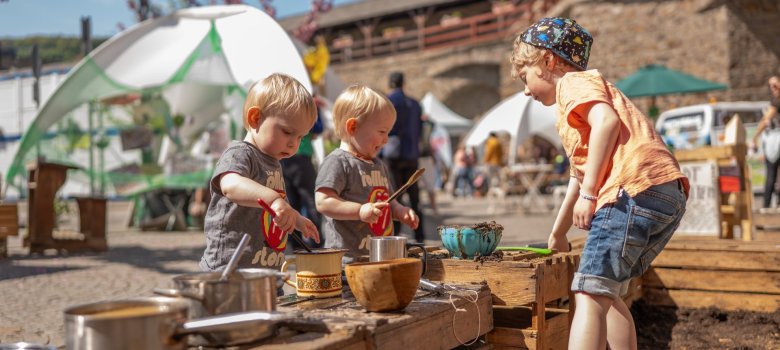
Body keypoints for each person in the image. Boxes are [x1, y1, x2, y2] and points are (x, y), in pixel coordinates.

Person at [510, 17, 689, 350]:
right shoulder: (577, 105)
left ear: (549, 61)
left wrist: (592, 194)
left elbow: (606, 122)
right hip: (664, 191)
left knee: (588, 293)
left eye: (525, 76)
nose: (525, 90)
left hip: (632, 190)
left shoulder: (573, 84)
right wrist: (559, 231)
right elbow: (578, 178)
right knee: (606, 290)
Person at [199, 73, 320, 276]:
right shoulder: (240, 153)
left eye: (300, 137)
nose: (293, 143)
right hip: (230, 269)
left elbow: (280, 204)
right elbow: (230, 185)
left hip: (266, 269)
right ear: (255, 118)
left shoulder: (274, 163)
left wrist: (295, 218)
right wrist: (273, 200)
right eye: (287, 132)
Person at [315, 85, 419, 264]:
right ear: (353, 126)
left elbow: (388, 200)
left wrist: (399, 211)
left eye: (388, 132)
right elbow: (323, 202)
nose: (386, 140)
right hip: (349, 262)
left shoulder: (379, 165)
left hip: (380, 257)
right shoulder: (338, 162)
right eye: (381, 132)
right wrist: (359, 210)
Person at [384, 71, 426, 243]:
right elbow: (421, 130)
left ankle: (396, 236)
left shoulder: (390, 101)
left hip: (394, 152)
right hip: (412, 153)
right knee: (415, 198)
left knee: (395, 197)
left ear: (390, 83)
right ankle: (419, 236)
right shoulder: (415, 104)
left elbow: (387, 127)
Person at [281, 95, 325, 247]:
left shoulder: (287, 104)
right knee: (308, 199)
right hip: (301, 158)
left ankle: (297, 243)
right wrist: (315, 109)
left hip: (285, 159)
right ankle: (314, 240)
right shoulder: (305, 107)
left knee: (293, 200)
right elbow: (319, 128)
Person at [751, 75, 780, 208]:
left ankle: (766, 209)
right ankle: (767, 209)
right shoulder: (775, 100)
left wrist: (755, 136)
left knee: (771, 176)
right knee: (771, 176)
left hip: (776, 142)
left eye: (775, 85)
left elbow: (765, 119)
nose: (773, 88)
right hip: (775, 142)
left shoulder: (776, 101)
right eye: (770, 86)